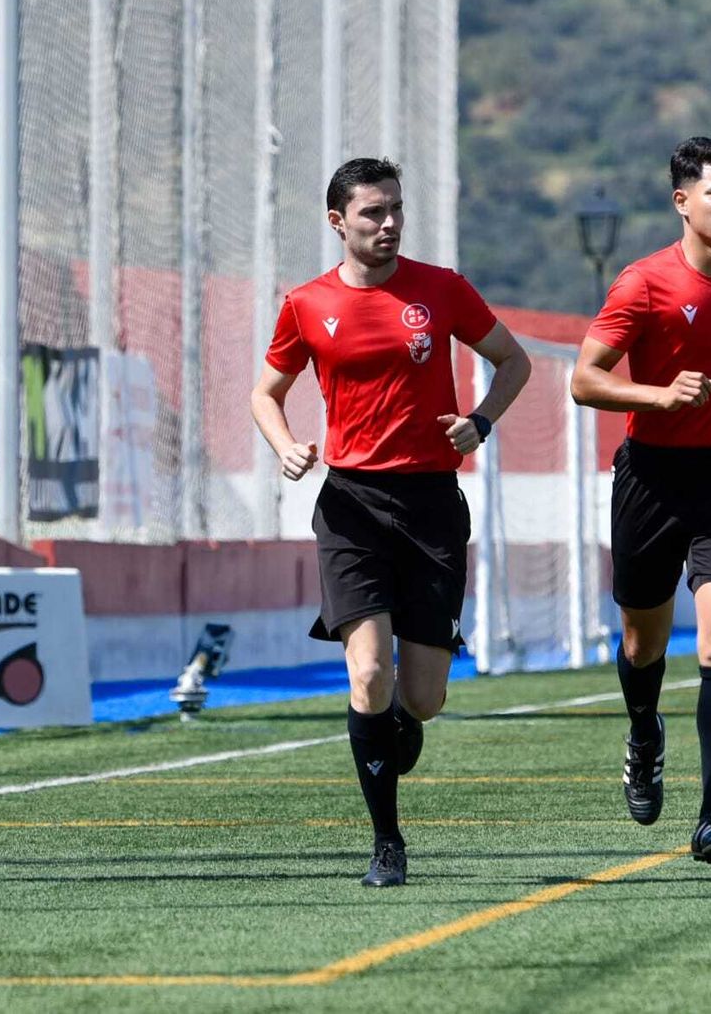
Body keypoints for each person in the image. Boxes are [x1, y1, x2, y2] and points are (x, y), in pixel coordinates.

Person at [251, 157, 531, 887]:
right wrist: (286, 447)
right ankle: (387, 844)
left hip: (433, 506)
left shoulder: (442, 289)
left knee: (424, 698)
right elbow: (266, 393)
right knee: (369, 672)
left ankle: (402, 720)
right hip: (352, 508)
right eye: (373, 212)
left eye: (396, 209)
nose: (389, 223)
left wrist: (480, 422)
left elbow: (513, 362)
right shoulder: (307, 303)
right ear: (338, 222)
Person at [570, 136, 711, 865]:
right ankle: (644, 732)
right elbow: (585, 380)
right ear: (682, 201)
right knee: (643, 644)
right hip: (649, 480)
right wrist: (660, 396)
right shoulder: (642, 284)